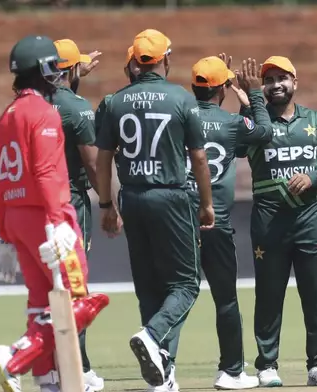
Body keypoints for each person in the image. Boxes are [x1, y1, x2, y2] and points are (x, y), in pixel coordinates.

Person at [0, 35, 108, 392]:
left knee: (40, 305)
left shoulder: (4, 118)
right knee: (80, 301)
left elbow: (0, 181)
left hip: (16, 218)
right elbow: (46, 172)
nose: (57, 75)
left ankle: (49, 382)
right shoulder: (43, 113)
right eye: (53, 68)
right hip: (46, 217)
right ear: (40, 71)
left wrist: (4, 235)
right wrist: (58, 223)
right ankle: (15, 356)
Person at [95, 29, 214, 391]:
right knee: (186, 284)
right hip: (170, 196)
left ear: (134, 62)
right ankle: (153, 337)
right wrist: (206, 204)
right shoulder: (181, 99)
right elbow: (198, 157)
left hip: (132, 197)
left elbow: (103, 160)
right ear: (166, 59)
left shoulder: (115, 101)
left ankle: (163, 370)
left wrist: (106, 204)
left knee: (148, 287)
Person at [236, 56, 317, 387]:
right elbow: (240, 147)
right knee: (269, 295)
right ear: (262, 87)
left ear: (295, 82)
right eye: (268, 80)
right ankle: (267, 366)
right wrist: (247, 106)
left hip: (311, 219)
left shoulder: (315, 120)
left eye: (283, 78)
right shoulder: (255, 120)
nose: (276, 84)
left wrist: (313, 177)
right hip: (270, 222)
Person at [186, 54, 274, 389]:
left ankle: (163, 367)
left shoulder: (180, 116)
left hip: (179, 219)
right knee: (225, 298)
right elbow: (262, 132)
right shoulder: (230, 123)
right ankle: (232, 371)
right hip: (215, 220)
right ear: (222, 87)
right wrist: (251, 95)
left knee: (176, 293)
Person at [51, 38, 105, 391]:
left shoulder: (32, 104)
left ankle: (53, 366)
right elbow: (91, 160)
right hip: (70, 204)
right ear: (69, 70)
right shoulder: (77, 107)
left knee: (50, 287)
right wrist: (109, 204)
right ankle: (79, 369)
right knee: (75, 286)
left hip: (38, 204)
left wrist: (73, 76)